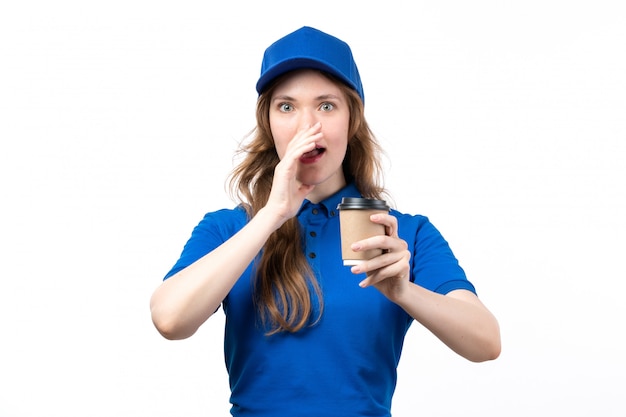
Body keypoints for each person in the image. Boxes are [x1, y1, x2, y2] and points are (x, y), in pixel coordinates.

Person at [150, 26, 501, 417]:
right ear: (268, 123)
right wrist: (271, 216)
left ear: (352, 120)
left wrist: (403, 291)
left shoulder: (403, 234)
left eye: (326, 105)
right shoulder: (228, 229)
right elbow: (169, 319)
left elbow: (485, 342)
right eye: (287, 106)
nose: (307, 126)